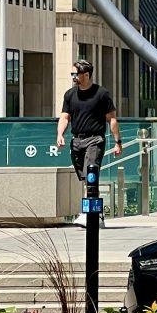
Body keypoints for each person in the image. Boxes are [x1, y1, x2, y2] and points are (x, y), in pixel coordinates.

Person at [57, 59, 121, 226]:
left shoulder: (101, 94)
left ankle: (88, 213)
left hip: (95, 139)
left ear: (86, 75)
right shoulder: (70, 95)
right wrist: (60, 134)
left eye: (75, 74)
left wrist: (117, 142)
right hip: (77, 140)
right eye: (72, 74)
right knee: (86, 179)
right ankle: (97, 214)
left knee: (91, 175)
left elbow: (112, 119)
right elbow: (65, 117)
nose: (73, 77)